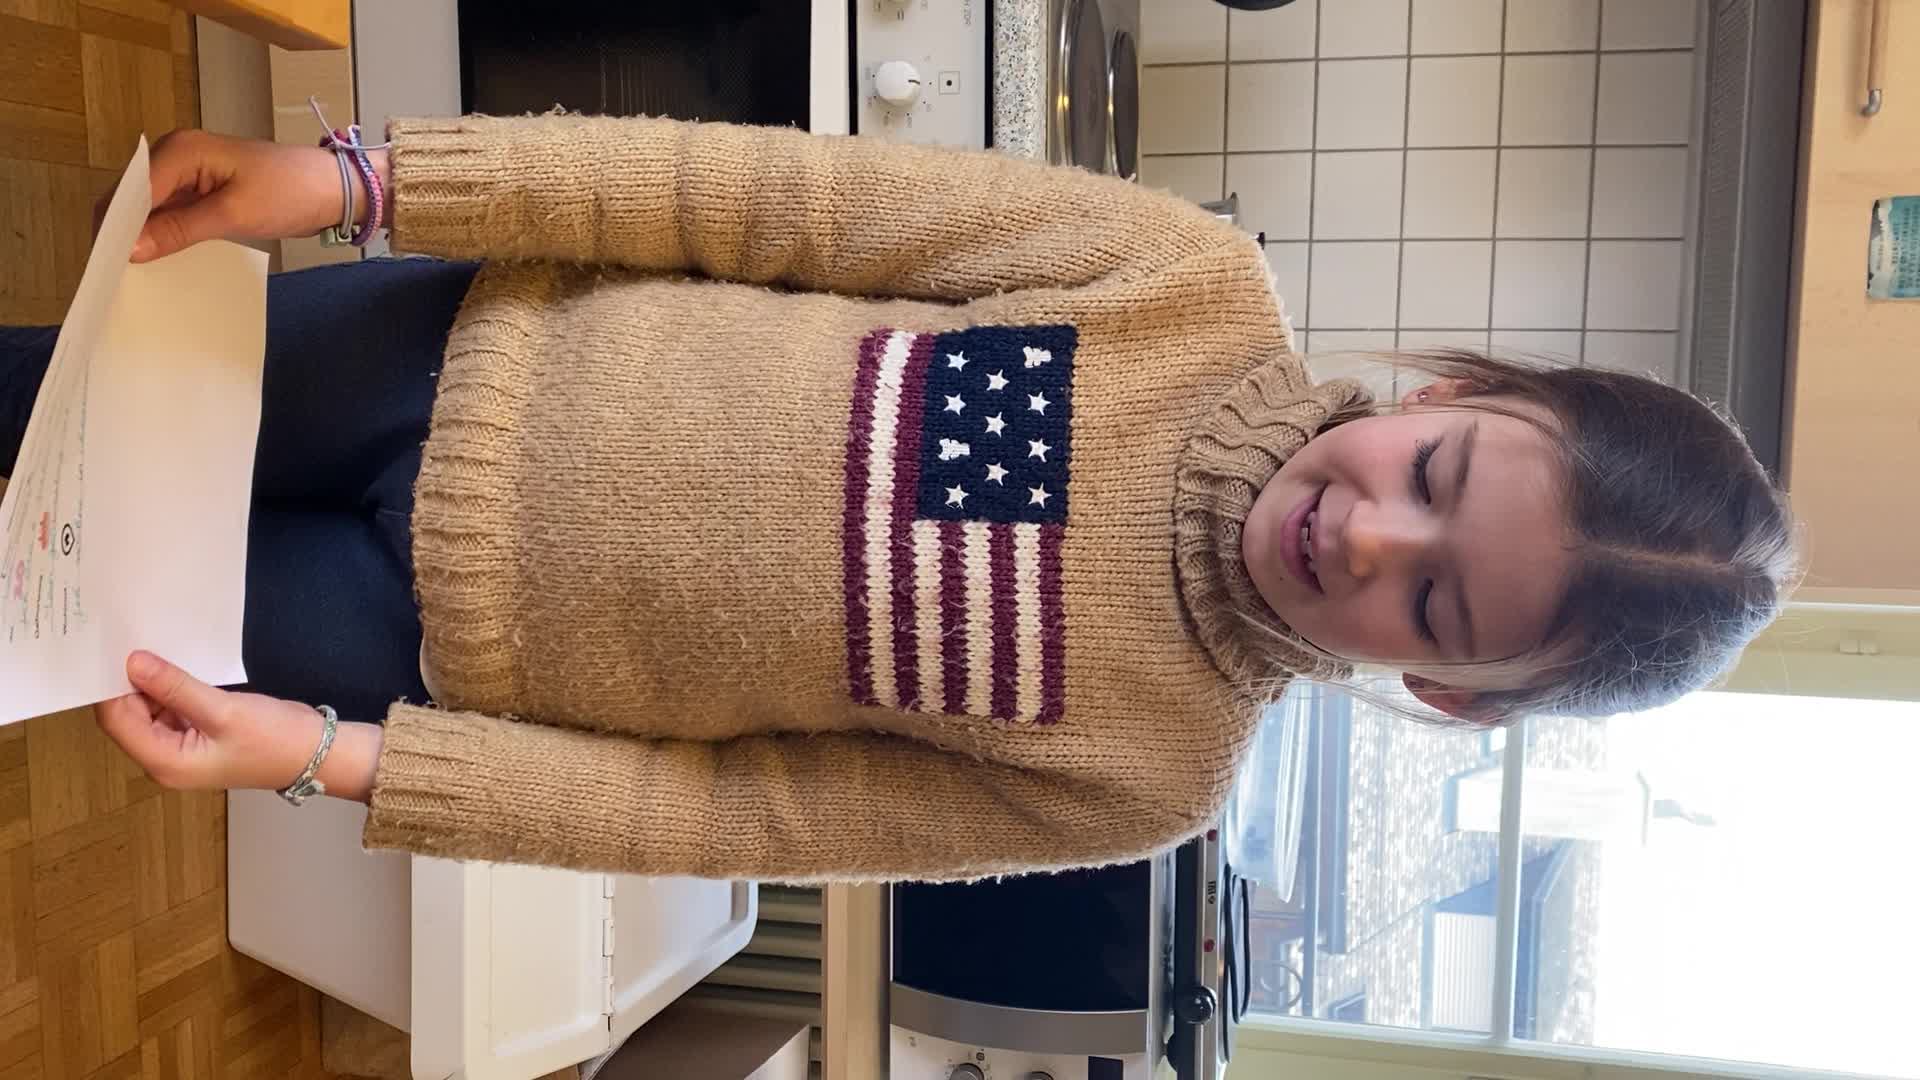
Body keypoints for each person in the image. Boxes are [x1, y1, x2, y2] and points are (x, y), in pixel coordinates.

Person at [0, 115, 1797, 882]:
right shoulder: (1182, 287)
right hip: (436, 348)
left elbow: (719, 820)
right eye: (1434, 475)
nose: (1368, 534)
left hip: (411, 649)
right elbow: (753, 201)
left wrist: (322, 759)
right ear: (1462, 395)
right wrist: (363, 178)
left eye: (1434, 601)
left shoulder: (1149, 780)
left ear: (1450, 694)